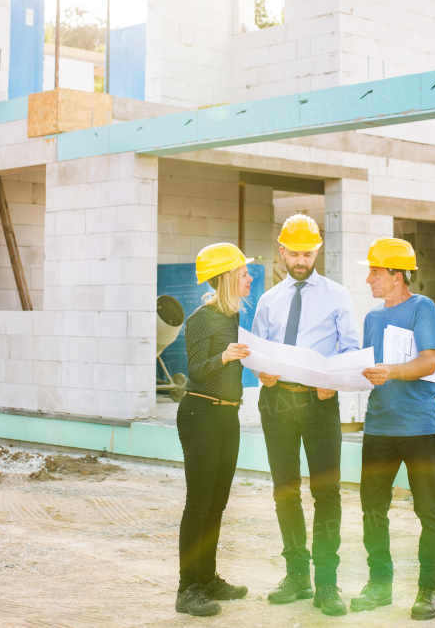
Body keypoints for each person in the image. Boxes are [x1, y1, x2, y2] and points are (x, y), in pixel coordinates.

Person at [250, 214, 360, 616]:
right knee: (285, 490)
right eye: (294, 253)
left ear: (318, 251)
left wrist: (336, 377)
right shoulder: (269, 300)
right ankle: (297, 575)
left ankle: (327, 584)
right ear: (282, 251)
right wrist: (260, 368)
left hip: (319, 402)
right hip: (277, 400)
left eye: (308, 253)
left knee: (326, 492)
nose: (301, 260)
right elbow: (259, 348)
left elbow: (350, 348)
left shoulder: (337, 295)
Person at [350, 237, 435, 621]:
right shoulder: (373, 318)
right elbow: (371, 368)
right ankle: (379, 584)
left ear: (397, 274)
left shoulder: (424, 309)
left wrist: (391, 371)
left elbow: (427, 362)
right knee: (372, 507)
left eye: (375, 271)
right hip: (379, 428)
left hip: (418, 428)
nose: (369, 279)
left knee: (428, 509)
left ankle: (429, 588)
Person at [175, 242, 255, 617]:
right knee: (199, 504)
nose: (250, 279)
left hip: (228, 416)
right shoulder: (202, 318)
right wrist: (225, 356)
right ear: (227, 278)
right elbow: (195, 371)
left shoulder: (236, 317)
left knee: (218, 504)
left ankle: (206, 578)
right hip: (200, 415)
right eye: (244, 274)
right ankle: (187, 587)